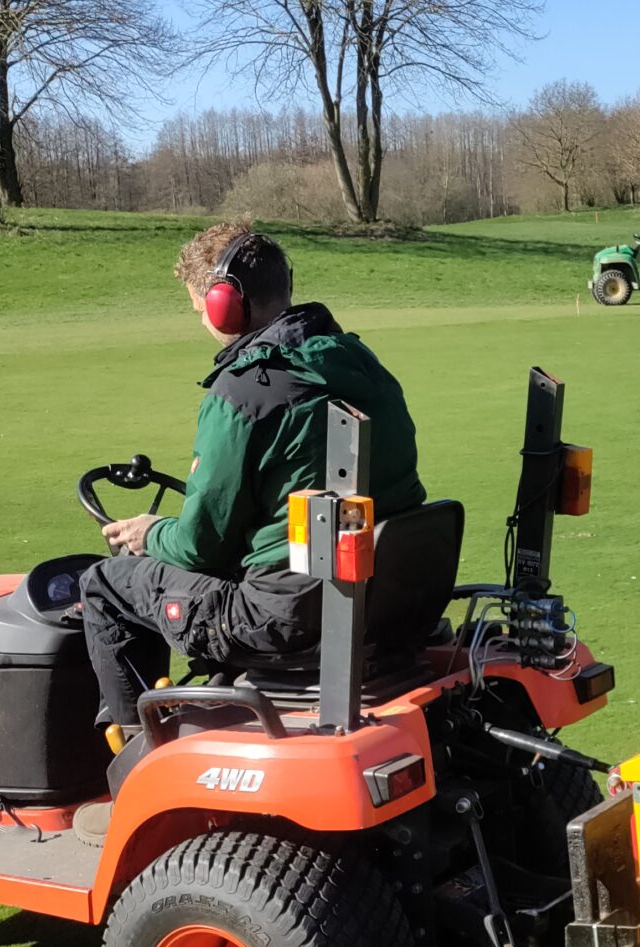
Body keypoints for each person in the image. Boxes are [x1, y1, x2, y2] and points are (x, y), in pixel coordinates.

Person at [80, 222, 425, 751]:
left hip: (284, 616)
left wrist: (150, 534)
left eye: (199, 302)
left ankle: (135, 761)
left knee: (105, 584)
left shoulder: (244, 389)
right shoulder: (359, 362)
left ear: (224, 304)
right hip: (386, 599)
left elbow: (198, 545)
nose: (200, 315)